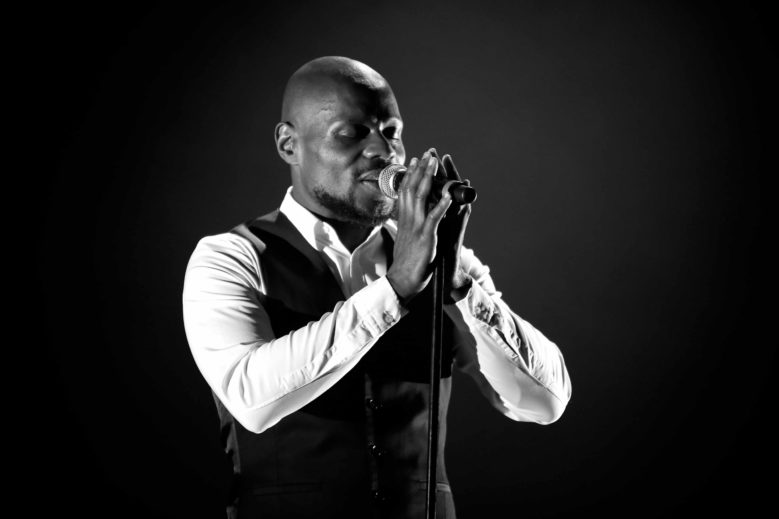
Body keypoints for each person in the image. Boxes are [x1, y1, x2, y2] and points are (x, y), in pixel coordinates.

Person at [182, 56, 571, 519]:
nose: (382, 150)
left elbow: (545, 402)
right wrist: (396, 286)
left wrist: (459, 286)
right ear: (289, 144)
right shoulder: (230, 256)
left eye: (391, 132)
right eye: (351, 133)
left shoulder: (443, 257)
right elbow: (251, 400)